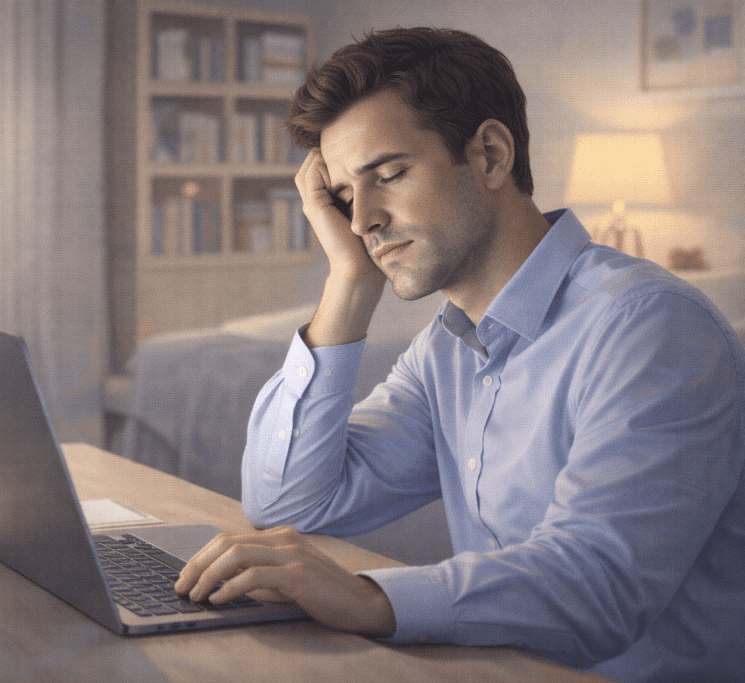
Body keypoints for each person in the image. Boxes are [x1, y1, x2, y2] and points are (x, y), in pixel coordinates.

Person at [173, 27, 745, 682]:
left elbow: (598, 585)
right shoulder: (445, 349)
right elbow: (287, 503)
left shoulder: (649, 327)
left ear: (491, 156)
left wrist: (368, 596)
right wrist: (350, 283)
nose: (362, 221)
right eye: (345, 197)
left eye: (387, 175)